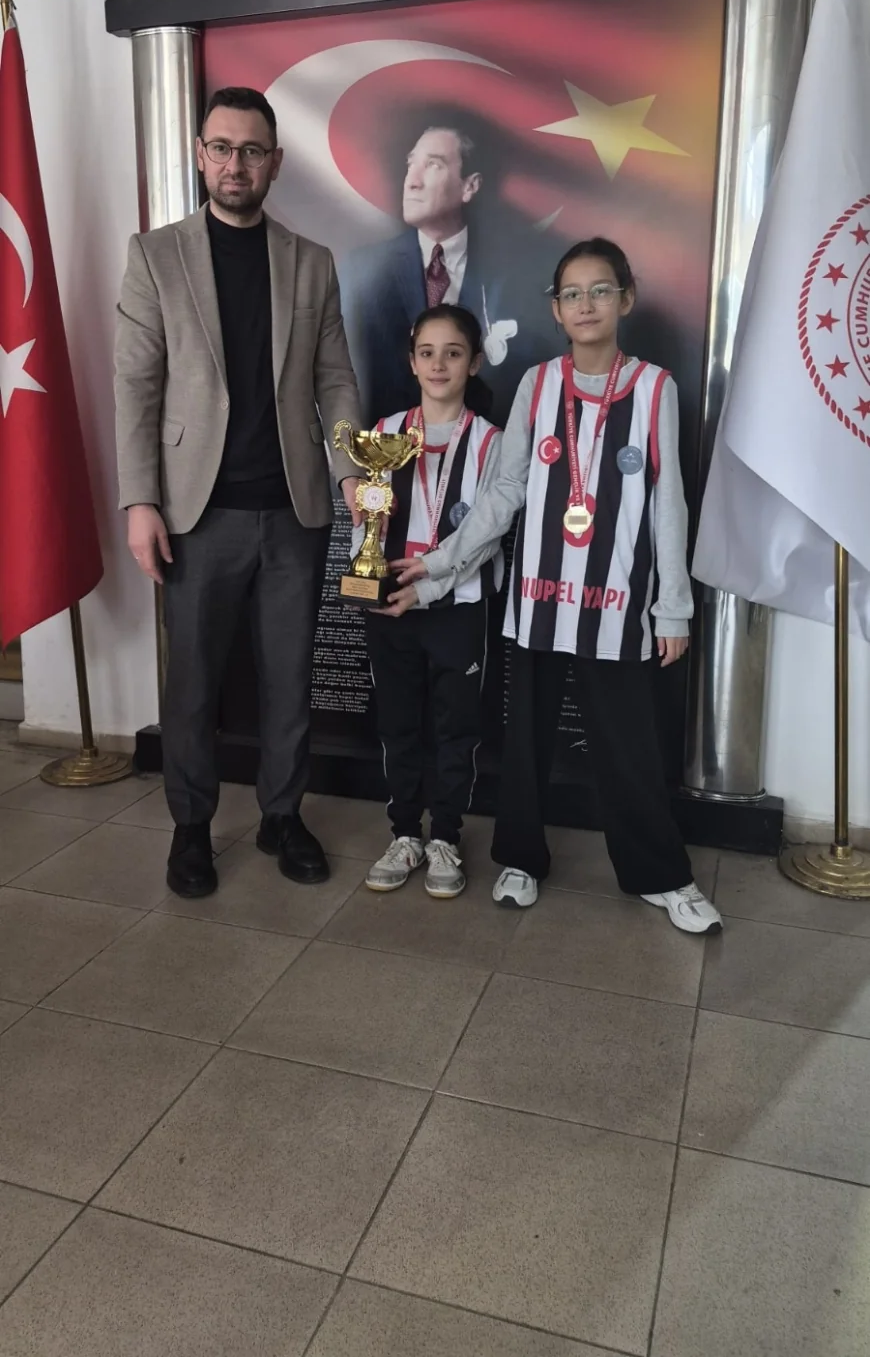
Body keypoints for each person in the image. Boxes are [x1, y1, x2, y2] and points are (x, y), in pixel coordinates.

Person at [391, 238, 722, 935]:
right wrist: (443, 560)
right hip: (539, 597)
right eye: (572, 293)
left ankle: (662, 874)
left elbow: (668, 500)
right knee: (526, 739)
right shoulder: (538, 386)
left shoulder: (655, 387)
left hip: (618, 601)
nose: (586, 304)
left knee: (628, 743)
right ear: (556, 308)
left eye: (600, 290)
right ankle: (520, 858)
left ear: (626, 299)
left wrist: (672, 608)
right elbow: (506, 490)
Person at [115, 85, 362, 900]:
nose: (235, 164)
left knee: (289, 678)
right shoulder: (156, 256)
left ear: (274, 163)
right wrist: (140, 501)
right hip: (196, 514)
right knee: (193, 682)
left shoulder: (311, 261)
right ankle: (191, 825)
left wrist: (353, 471)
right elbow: (136, 388)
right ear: (200, 154)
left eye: (251, 151)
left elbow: (334, 379)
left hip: (294, 510)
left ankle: (281, 816)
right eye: (221, 148)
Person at [362, 304, 503, 900]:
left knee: (455, 726)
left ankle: (444, 834)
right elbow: (364, 520)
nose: (439, 364)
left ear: (474, 363)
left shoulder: (492, 442)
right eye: (427, 353)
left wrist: (433, 583)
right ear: (411, 361)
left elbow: (488, 535)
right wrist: (368, 572)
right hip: (391, 606)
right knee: (398, 723)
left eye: (453, 353)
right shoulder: (384, 432)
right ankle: (404, 834)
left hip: (458, 608)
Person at [344, 125, 520, 419]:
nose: (412, 182)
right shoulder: (363, 270)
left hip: (481, 440)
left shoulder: (510, 271)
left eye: (433, 165)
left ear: (469, 186)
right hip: (388, 442)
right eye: (411, 164)